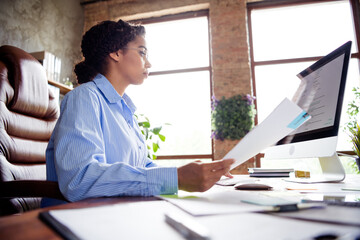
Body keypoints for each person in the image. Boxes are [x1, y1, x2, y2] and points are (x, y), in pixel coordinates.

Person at [42, 20, 234, 207]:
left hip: (117, 214)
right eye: (142, 52)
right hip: (81, 219)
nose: (148, 63)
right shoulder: (84, 98)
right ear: (116, 52)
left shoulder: (124, 111)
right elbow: (79, 180)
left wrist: (191, 173)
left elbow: (143, 168)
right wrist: (177, 178)